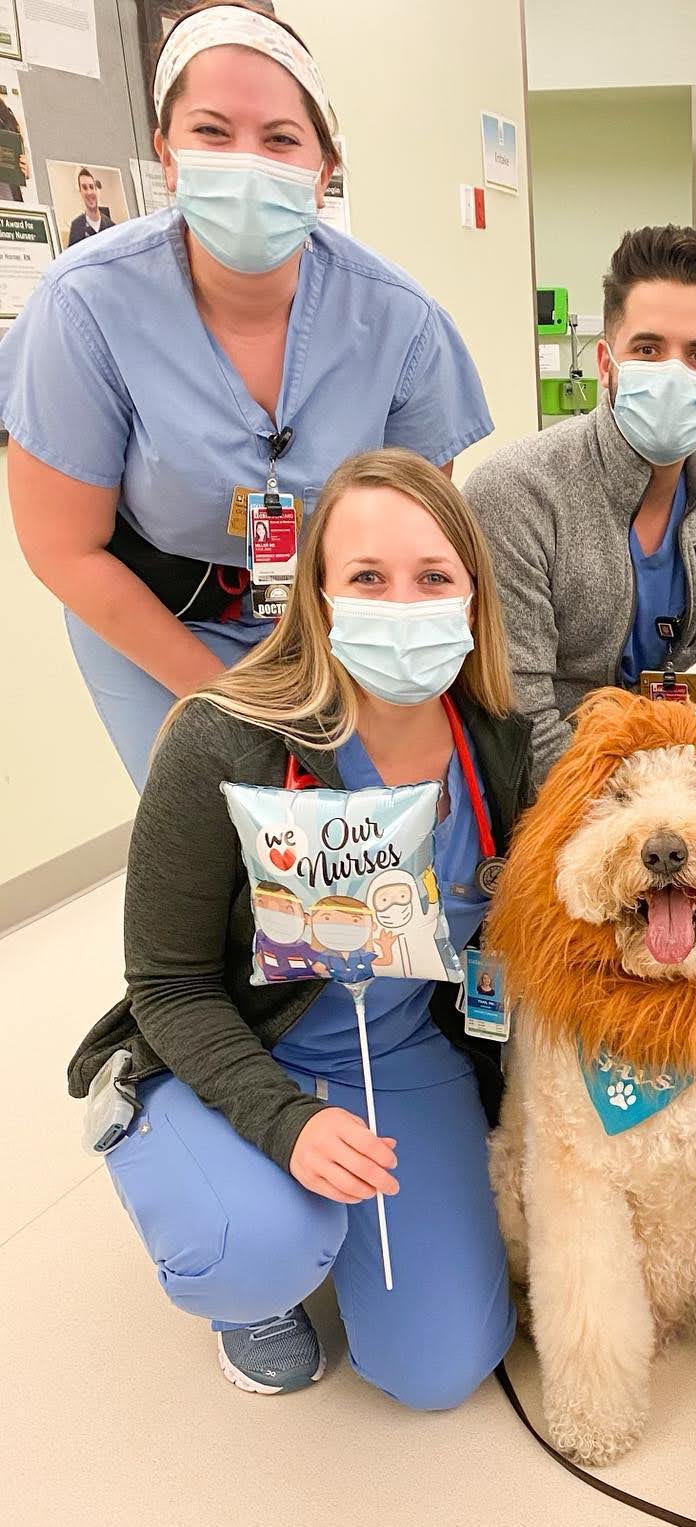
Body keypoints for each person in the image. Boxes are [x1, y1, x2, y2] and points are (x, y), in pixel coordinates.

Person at [68, 449, 532, 1408]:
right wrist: (287, 1124)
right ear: (318, 599)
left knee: (440, 1371)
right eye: (367, 577)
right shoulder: (221, 740)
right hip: (233, 1043)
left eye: (432, 577)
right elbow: (167, 985)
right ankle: (251, 1277)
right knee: (259, 1246)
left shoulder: (495, 744)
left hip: (397, 1052)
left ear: (474, 596)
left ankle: (327, 1217)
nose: (402, 606)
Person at [0, 2, 492, 788]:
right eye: (213, 132)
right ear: (167, 155)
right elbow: (63, 546)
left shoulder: (400, 322)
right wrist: (226, 701)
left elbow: (411, 536)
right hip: (155, 614)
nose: (248, 163)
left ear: (323, 170)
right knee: (210, 818)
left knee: (350, 819)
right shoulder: (84, 306)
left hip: (331, 621)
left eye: (281, 139)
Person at [464, 224, 696, 779]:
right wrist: (630, 814)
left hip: (671, 787)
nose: (673, 374)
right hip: (547, 795)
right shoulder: (517, 496)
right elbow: (521, 721)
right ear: (606, 363)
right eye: (648, 349)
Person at [66, 168, 117, 247]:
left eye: (91, 187)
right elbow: (72, 254)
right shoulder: (76, 227)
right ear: (80, 192)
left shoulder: (111, 226)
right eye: (85, 188)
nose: (89, 192)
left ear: (96, 190)